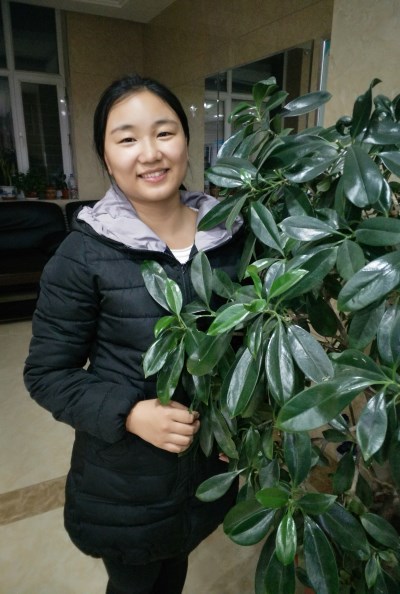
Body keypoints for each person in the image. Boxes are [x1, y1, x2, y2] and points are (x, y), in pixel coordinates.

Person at [23, 74, 244, 594]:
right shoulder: (84, 254)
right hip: (123, 485)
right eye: (127, 139)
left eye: (164, 133)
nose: (150, 153)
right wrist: (130, 413)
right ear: (106, 156)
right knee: (135, 582)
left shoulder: (230, 235)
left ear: (186, 141)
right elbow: (47, 374)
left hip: (204, 465)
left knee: (175, 565)